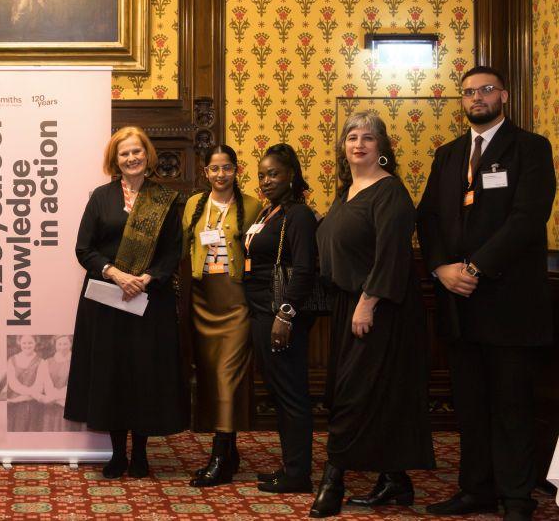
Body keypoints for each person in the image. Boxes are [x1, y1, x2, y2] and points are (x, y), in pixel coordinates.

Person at [418, 66, 556, 521]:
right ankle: (475, 489)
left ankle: (517, 497)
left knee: (512, 405)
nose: (477, 97)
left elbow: (526, 219)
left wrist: (474, 267)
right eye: (469, 92)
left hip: (510, 302)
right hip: (458, 303)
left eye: (486, 90)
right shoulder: (449, 154)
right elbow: (429, 218)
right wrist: (442, 268)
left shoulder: (531, 149)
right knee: (471, 406)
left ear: (505, 96)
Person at [311, 112, 435, 517]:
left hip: (381, 308)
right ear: (342, 146)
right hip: (349, 304)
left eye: (368, 137)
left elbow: (393, 255)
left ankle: (333, 481)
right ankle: (396, 480)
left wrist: (368, 302)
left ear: (381, 148)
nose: (359, 144)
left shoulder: (390, 193)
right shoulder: (346, 191)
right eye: (351, 137)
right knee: (371, 395)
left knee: (353, 396)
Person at [64, 126, 186, 479]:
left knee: (144, 373)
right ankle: (118, 454)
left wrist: (146, 278)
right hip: (107, 300)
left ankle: (142, 454)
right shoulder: (100, 198)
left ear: (147, 155)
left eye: (137, 151)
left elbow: (172, 250)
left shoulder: (165, 199)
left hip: (149, 301)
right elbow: (84, 248)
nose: (132, 158)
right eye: (124, 154)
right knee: (111, 373)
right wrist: (116, 274)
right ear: (114, 161)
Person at [181, 144, 259, 487]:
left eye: (227, 168)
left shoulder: (253, 206)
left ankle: (218, 456)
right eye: (214, 169)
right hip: (202, 299)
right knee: (211, 376)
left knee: (227, 376)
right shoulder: (194, 205)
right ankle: (230, 450)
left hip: (236, 301)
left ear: (235, 170)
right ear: (205, 172)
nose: (220, 174)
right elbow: (185, 250)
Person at [243, 144, 317, 494]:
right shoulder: (268, 212)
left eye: (273, 173)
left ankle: (299, 474)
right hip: (260, 311)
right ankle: (290, 467)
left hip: (281, 315)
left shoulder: (298, 215)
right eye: (261, 175)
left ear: (291, 175)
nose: (266, 180)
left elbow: (304, 269)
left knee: (291, 394)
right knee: (278, 392)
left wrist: (285, 314)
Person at [37, 335, 81, 432]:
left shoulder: (78, 361)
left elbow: (75, 385)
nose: (62, 347)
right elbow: (46, 382)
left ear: (70, 344)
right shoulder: (46, 362)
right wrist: (51, 397)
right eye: (59, 344)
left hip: (68, 406)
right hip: (51, 407)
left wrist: (54, 397)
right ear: (55, 345)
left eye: (65, 344)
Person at [6, 335, 43, 431]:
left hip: (32, 404)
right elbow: (13, 383)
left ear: (35, 343)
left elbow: (39, 387)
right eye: (24, 343)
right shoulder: (11, 360)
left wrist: (20, 399)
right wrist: (31, 393)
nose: (27, 345)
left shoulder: (41, 362)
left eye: (30, 342)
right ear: (19, 343)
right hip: (13, 405)